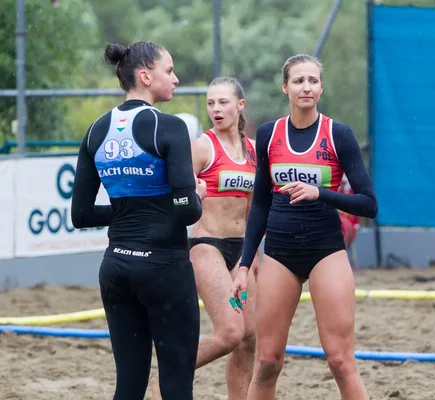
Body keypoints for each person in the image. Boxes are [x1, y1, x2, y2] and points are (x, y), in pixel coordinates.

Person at [230, 54, 377, 400]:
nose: (306, 87)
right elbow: (261, 204)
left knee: (340, 361)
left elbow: (369, 203)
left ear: (321, 88)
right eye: (298, 81)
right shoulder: (268, 135)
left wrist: (321, 193)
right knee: (267, 361)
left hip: (326, 250)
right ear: (285, 87)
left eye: (312, 81)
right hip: (280, 253)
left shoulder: (338, 135)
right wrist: (245, 264)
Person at [71, 41, 204, 400]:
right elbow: (187, 211)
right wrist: (196, 196)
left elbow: (80, 215)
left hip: (116, 268)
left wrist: (132, 210)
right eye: (169, 70)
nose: (176, 79)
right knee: (176, 386)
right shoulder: (171, 127)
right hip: (163, 268)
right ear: (145, 76)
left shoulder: (96, 130)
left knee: (128, 386)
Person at [150, 76, 259, 400]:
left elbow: (255, 209)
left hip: (242, 251)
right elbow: (168, 194)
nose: (216, 109)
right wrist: (190, 197)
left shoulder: (253, 150)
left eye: (223, 102)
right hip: (207, 246)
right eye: (211, 103)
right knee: (229, 333)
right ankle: (170, 372)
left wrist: (254, 257)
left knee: (250, 337)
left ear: (240, 106)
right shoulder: (201, 147)